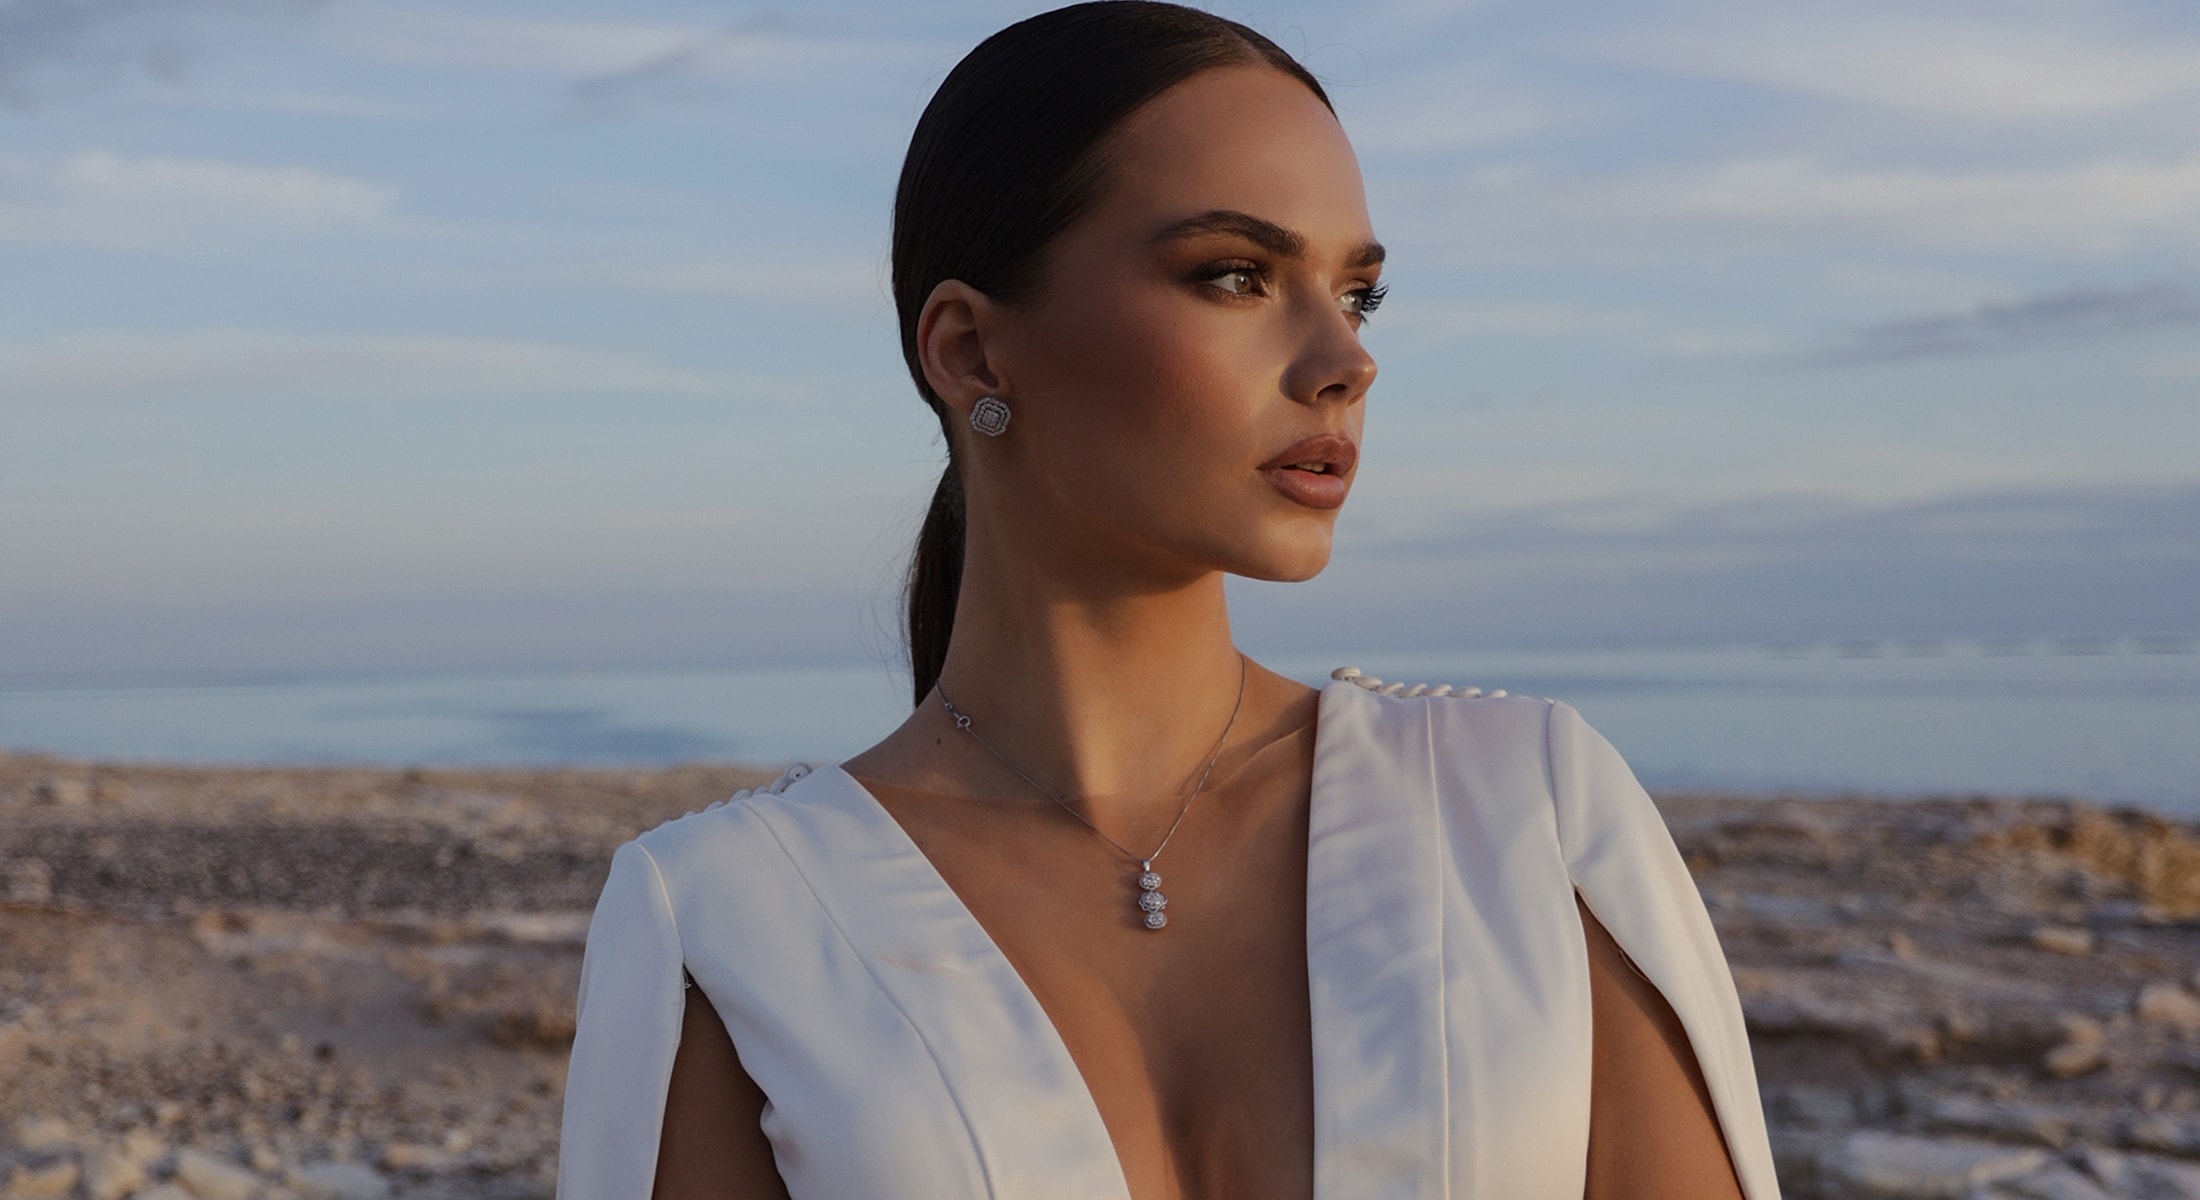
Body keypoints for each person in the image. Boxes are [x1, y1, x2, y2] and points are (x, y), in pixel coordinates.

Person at [556, 4, 1780, 1197]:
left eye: (1357, 293)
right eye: (1236, 276)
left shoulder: (1525, 811)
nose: (1346, 360)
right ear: (970, 351)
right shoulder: (727, 919)